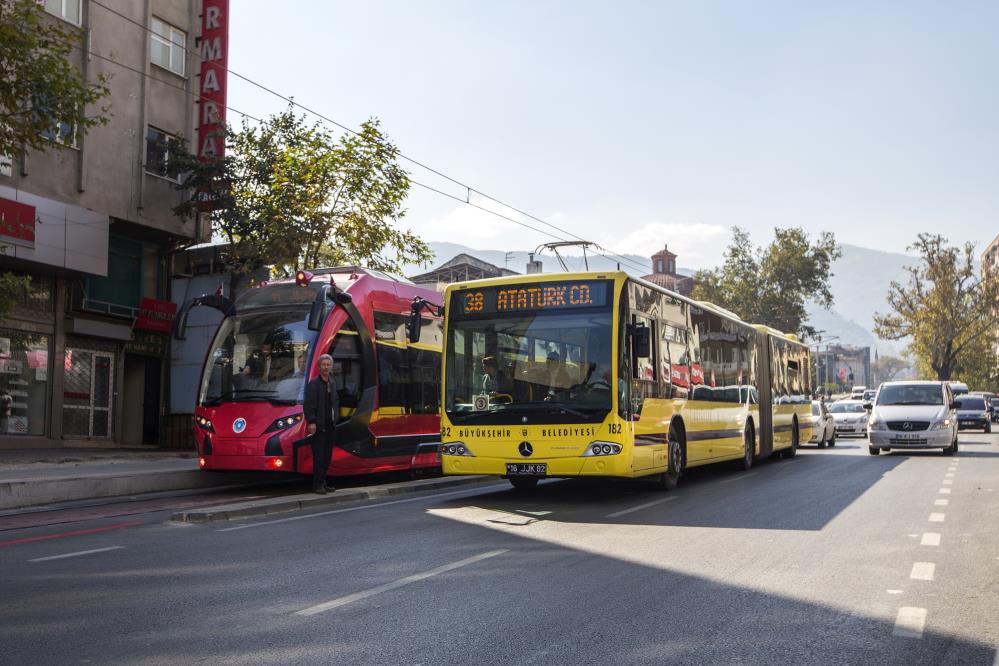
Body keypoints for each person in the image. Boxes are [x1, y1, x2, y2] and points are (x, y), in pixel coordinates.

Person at [303, 353, 339, 494]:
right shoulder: (314, 384)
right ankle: (317, 485)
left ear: (331, 367)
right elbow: (309, 405)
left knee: (327, 456)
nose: (326, 367)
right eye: (323, 365)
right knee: (318, 456)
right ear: (319, 367)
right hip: (318, 425)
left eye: (328, 365)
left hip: (331, 425)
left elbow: (335, 402)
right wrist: (311, 421)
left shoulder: (333, 383)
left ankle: (323, 482)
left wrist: (336, 418)